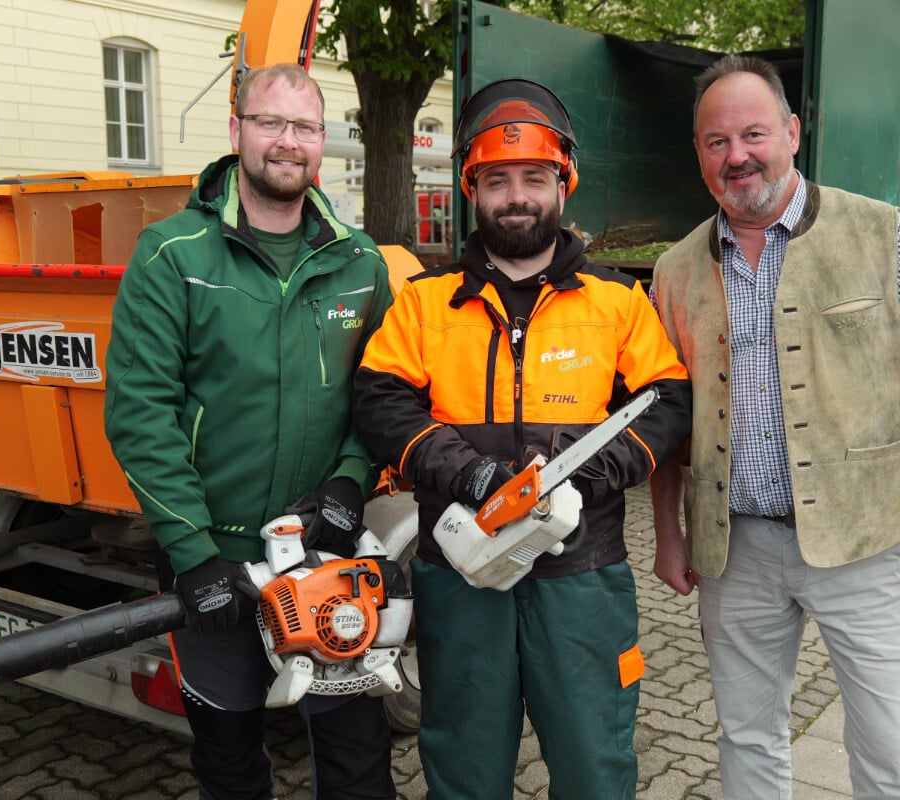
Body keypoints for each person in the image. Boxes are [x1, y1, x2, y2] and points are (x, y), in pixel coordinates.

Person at [352, 78, 692, 800]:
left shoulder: (617, 303)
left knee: (595, 767)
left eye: (534, 178)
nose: (517, 196)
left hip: (583, 575)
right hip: (460, 575)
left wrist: (588, 475)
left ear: (563, 185)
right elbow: (380, 401)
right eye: (498, 180)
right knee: (464, 770)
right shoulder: (424, 302)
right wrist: (470, 475)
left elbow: (665, 401)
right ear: (473, 190)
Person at [103, 63, 396, 800]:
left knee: (357, 760)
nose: (286, 142)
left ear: (322, 143)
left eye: (302, 127)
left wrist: (351, 480)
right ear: (236, 132)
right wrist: (193, 554)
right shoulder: (172, 255)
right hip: (218, 566)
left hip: (327, 564)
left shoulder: (359, 262)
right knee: (229, 760)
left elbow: (385, 394)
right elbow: (141, 413)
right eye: (269, 122)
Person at [650, 54, 900, 800]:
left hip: (865, 544)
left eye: (753, 133)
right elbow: (666, 424)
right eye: (716, 142)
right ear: (698, 154)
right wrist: (669, 534)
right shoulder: (673, 270)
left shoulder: (883, 236)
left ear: (791, 132)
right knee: (747, 738)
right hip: (735, 551)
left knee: (889, 741)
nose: (738, 156)